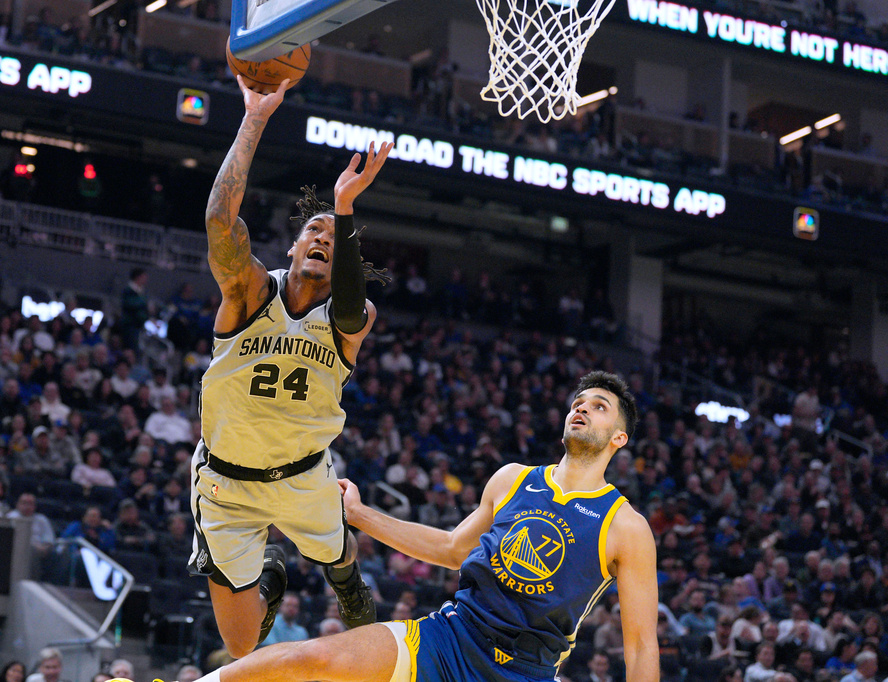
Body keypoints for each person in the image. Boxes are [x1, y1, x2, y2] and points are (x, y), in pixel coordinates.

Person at [196, 371, 659, 682]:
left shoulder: (626, 527)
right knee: (316, 657)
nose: (581, 409)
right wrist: (359, 514)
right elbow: (454, 548)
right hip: (449, 638)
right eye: (578, 403)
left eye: (598, 407)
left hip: (524, 670)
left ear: (619, 437)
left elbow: (639, 648)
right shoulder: (513, 479)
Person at [188, 76, 392, 658]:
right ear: (292, 248)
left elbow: (352, 305)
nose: (323, 237)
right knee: (242, 648)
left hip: (305, 475)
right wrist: (253, 117)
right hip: (226, 484)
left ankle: (346, 579)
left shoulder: (353, 316)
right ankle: (271, 570)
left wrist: (345, 206)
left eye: (335, 236)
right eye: (314, 229)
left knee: (337, 553)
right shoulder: (249, 294)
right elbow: (220, 226)